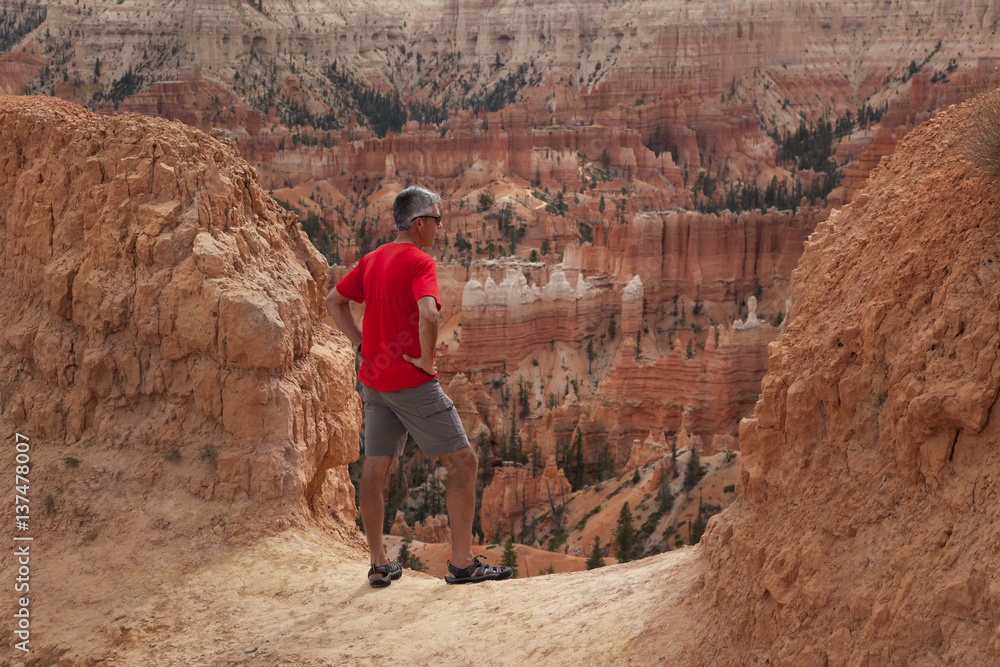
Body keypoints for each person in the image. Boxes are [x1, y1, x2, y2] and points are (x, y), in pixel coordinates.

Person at [324, 186, 513, 587]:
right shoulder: (419, 262)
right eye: (438, 221)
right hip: (412, 383)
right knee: (465, 463)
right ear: (419, 223)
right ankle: (462, 563)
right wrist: (426, 361)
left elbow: (332, 302)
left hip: (375, 383)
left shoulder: (372, 259)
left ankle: (378, 562)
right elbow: (428, 314)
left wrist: (361, 343)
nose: (441, 229)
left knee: (374, 472)